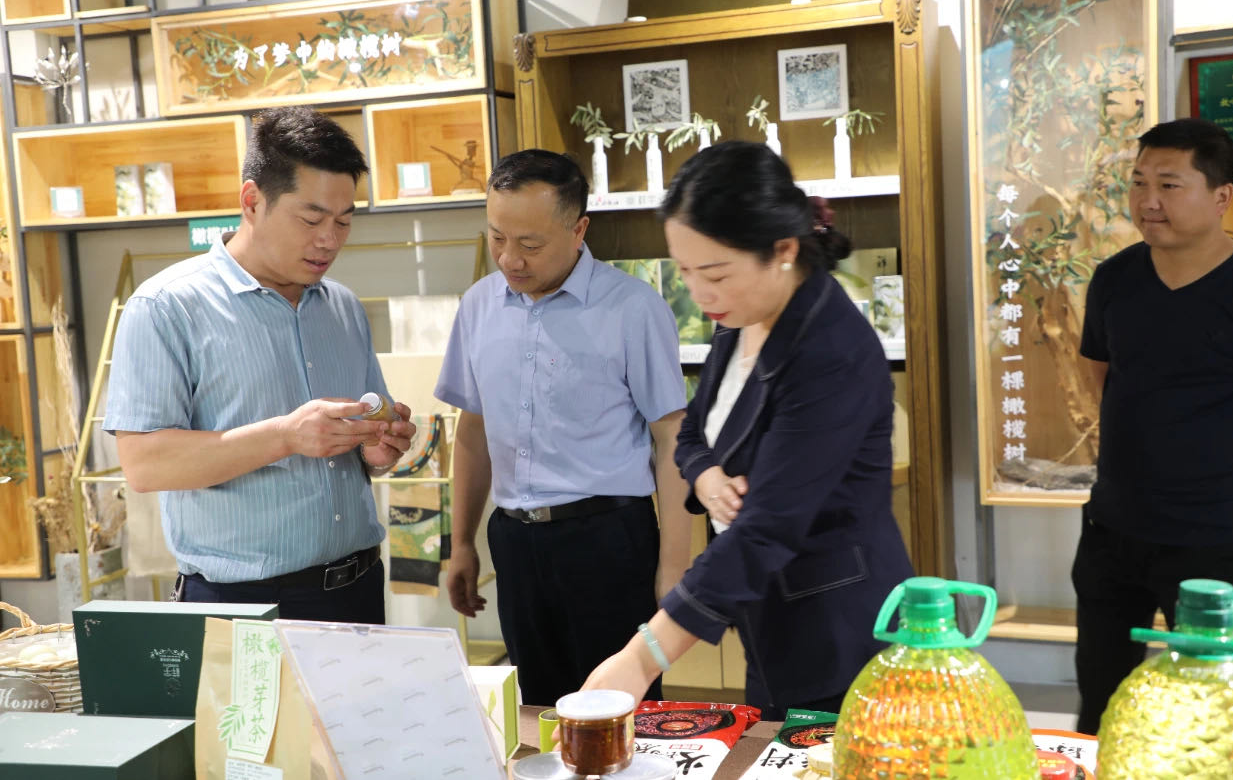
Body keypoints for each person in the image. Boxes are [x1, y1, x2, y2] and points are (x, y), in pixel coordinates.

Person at [582, 141, 914, 720]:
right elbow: (693, 433)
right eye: (685, 271)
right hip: (768, 617)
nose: (697, 293)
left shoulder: (829, 350)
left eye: (713, 273)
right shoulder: (741, 315)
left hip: (839, 632)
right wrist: (705, 475)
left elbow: (767, 528)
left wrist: (642, 658)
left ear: (782, 250)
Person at [104, 106, 415, 624]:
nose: (329, 239)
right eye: (311, 219)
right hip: (244, 604)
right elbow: (144, 465)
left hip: (358, 590)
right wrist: (286, 436)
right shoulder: (166, 307)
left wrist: (378, 449)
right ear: (252, 201)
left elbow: (366, 450)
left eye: (343, 221)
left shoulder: (342, 306)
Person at [436, 149, 688, 707]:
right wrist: (462, 543)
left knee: (623, 712)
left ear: (579, 231)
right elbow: (473, 432)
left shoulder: (633, 308)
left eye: (530, 244)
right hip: (515, 541)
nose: (509, 259)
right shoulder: (478, 306)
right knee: (538, 710)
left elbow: (671, 438)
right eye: (497, 237)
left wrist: (675, 569)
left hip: (608, 541)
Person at [1073, 117, 1233, 734]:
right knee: (1101, 703)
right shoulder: (1115, 278)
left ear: (1221, 196)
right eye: (1139, 182)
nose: (1148, 200)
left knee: (1213, 710)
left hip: (1210, 534)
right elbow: (1101, 374)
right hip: (1112, 527)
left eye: (1169, 184)